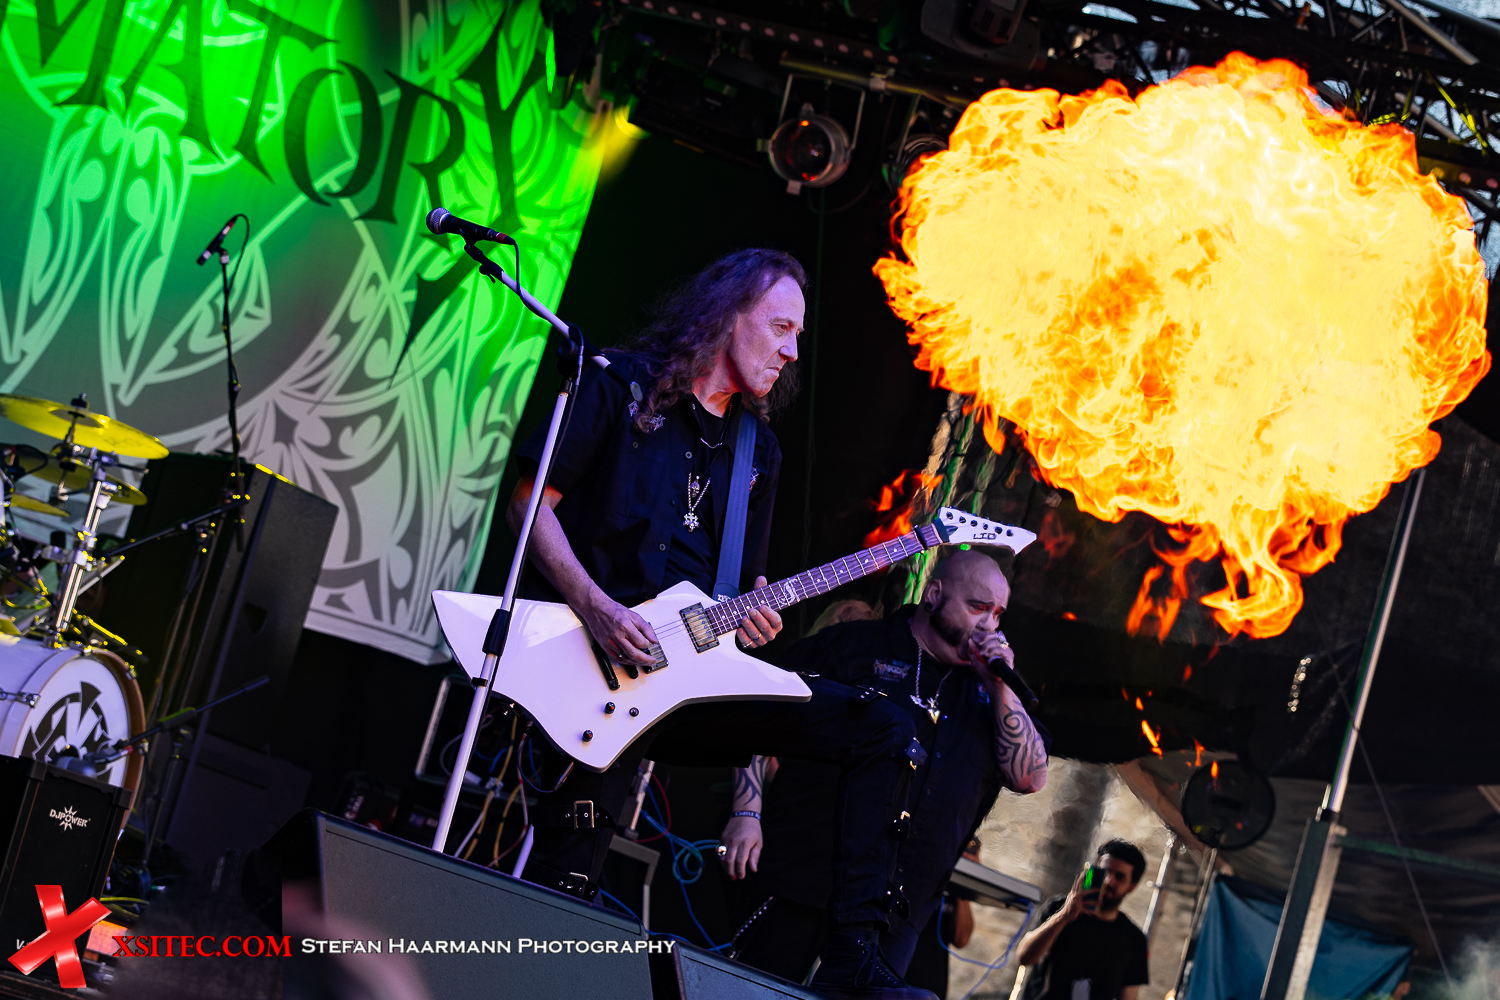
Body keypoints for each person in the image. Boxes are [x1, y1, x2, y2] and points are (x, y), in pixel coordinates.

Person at [508, 249, 934, 1000]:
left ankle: (853, 957)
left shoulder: (757, 451)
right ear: (727, 314)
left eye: (798, 335)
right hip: (592, 673)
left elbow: (737, 597)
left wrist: (750, 621)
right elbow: (528, 505)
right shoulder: (618, 383)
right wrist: (597, 607)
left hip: (690, 690)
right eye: (780, 327)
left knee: (887, 729)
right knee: (563, 883)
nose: (792, 351)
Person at [720, 550, 1049, 982]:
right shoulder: (855, 647)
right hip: (804, 879)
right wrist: (747, 812)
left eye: (998, 614)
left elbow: (1030, 777)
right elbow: (756, 708)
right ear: (934, 594)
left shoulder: (990, 693)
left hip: (897, 913)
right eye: (977, 607)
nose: (989, 624)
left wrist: (1000, 686)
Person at [1015, 840, 1151, 1000]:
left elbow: (1128, 996)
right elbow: (1024, 957)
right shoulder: (1059, 908)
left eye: (1119, 877)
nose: (1109, 881)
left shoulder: (1134, 939)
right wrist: (1065, 915)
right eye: (1105, 872)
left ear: (1132, 886)